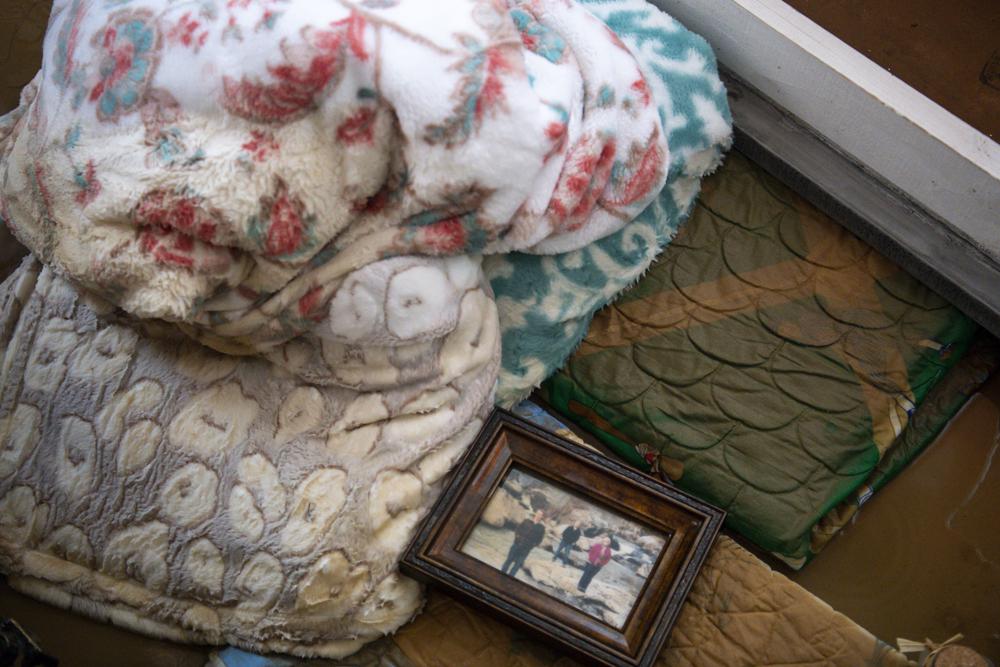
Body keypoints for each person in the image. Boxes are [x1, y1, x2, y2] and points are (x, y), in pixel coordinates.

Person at [501, 509, 546, 578]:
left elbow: (539, 540)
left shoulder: (541, 528)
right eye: (537, 513)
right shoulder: (527, 521)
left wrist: (532, 546)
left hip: (526, 549)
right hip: (517, 544)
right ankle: (500, 575)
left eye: (540, 515)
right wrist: (517, 538)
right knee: (508, 561)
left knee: (517, 565)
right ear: (535, 513)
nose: (538, 515)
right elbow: (517, 529)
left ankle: (509, 579)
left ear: (542, 517)